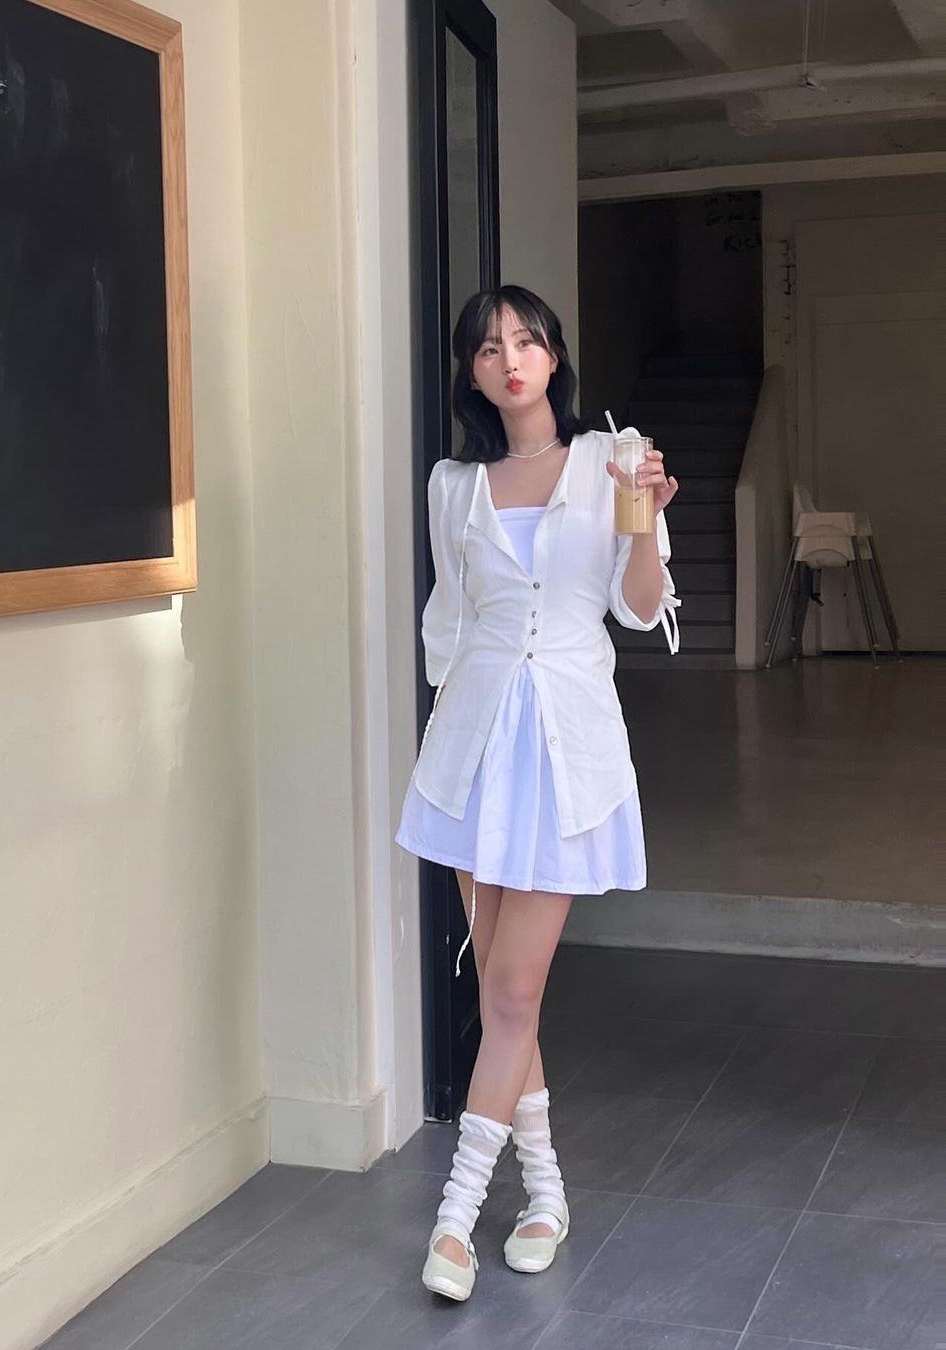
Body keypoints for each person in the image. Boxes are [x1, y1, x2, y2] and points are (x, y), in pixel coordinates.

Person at [394, 285, 680, 1302]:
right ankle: (548, 1195)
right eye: (487, 348)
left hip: (564, 749)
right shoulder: (453, 487)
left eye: (525, 340)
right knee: (503, 992)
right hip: (474, 754)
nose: (509, 359)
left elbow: (638, 610)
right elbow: (448, 625)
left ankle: (454, 1220)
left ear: (554, 356)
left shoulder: (613, 458)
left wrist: (645, 524)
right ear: (472, 374)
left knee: (512, 993)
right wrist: (453, 736)